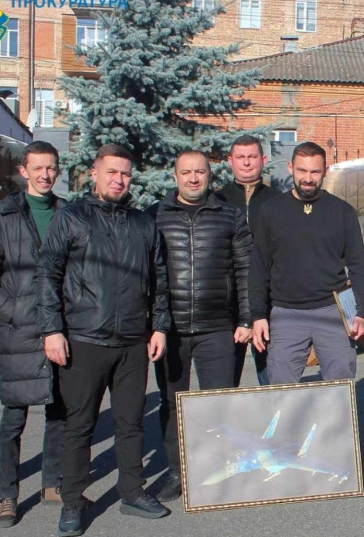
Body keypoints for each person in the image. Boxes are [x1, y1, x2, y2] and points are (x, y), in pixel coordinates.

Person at [37, 144, 172, 537]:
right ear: (95, 173)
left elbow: (159, 280)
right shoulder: (71, 218)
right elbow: (47, 274)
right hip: (83, 339)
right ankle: (73, 502)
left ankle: (132, 492)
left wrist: (159, 326)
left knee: (131, 424)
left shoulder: (143, 224)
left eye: (125, 173)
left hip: (132, 341)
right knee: (79, 425)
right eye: (111, 172)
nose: (119, 179)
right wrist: (52, 329)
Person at [0, 142, 68, 528]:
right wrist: (11, 311)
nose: (45, 174)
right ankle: (8, 495)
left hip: (60, 329)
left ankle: (53, 483)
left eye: (51, 168)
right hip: (18, 333)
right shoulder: (3, 217)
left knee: (59, 410)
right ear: (24, 171)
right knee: (13, 418)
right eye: (38, 168)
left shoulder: (66, 214)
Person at [148, 151, 252, 503]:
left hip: (218, 328)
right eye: (186, 172)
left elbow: (244, 269)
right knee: (173, 403)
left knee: (217, 404)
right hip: (170, 329)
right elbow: (150, 275)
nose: (193, 178)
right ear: (174, 175)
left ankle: (214, 470)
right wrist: (153, 324)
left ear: (210, 174)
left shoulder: (229, 215)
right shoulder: (155, 216)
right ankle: (178, 472)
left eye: (200, 172)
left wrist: (246, 318)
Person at [249, 142, 364, 384]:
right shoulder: (271, 211)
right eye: (302, 171)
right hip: (286, 312)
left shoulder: (342, 212)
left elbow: (358, 266)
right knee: (282, 390)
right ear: (290, 168)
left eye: (315, 172)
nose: (308, 178)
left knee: (340, 389)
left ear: (325, 171)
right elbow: (259, 267)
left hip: (332, 311)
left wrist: (363, 312)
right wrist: (257, 315)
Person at [217, 134, 279, 387]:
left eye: (252, 157)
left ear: (263, 160)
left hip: (268, 300)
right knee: (224, 381)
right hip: (226, 302)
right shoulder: (217, 201)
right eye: (240, 158)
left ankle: (276, 422)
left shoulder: (277, 201)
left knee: (271, 378)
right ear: (230, 161)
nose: (246, 163)